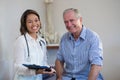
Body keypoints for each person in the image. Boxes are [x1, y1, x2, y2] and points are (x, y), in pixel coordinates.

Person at [55, 8, 104, 80]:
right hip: (68, 77)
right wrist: (59, 77)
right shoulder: (64, 38)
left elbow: (96, 64)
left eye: (71, 20)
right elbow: (59, 60)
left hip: (87, 77)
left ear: (80, 20)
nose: (69, 24)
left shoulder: (93, 37)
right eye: (66, 22)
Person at [13, 9, 56, 80]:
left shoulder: (42, 41)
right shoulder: (21, 41)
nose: (34, 24)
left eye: (36, 20)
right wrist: (36, 71)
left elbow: (43, 62)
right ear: (25, 24)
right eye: (30, 22)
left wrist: (49, 69)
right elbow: (18, 67)